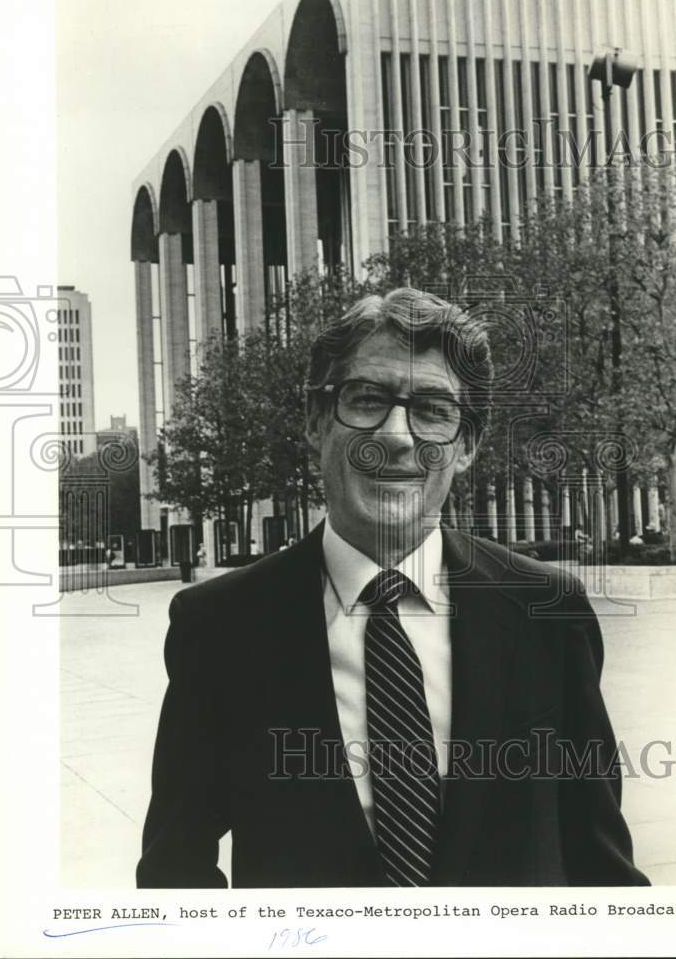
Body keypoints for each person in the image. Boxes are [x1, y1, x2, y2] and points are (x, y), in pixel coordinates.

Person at [137, 287, 648, 889]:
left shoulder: (548, 610)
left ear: (468, 445)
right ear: (314, 420)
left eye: (434, 408)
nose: (398, 436)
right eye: (368, 399)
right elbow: (176, 867)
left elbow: (603, 868)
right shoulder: (220, 626)